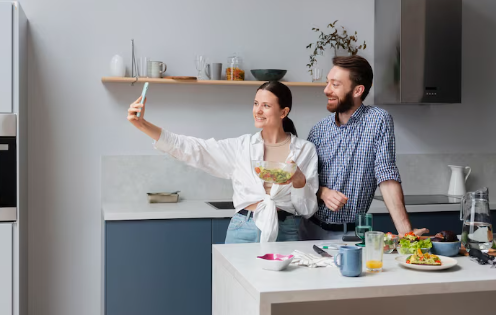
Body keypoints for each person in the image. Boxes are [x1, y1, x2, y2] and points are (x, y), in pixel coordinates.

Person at [127, 81, 319, 243]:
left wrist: (299, 181)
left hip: (286, 231)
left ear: (283, 112)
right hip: (243, 229)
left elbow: (307, 210)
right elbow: (194, 148)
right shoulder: (241, 147)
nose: (258, 111)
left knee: (281, 287)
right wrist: (142, 124)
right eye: (255, 103)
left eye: (266, 106)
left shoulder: (305, 150)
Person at [299, 55, 428, 240]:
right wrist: (323, 192)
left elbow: (386, 174)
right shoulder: (319, 130)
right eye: (327, 83)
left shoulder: (378, 120)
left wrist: (406, 232)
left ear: (358, 90)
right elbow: (303, 180)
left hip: (354, 234)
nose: (326, 90)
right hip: (310, 231)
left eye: (335, 85)